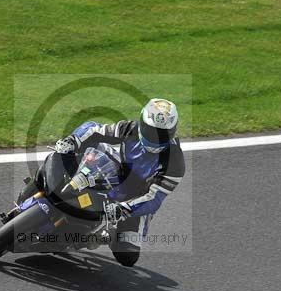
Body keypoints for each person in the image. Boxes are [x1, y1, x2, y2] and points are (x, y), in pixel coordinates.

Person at [27, 98, 185, 266]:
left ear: (173, 131)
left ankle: (102, 235)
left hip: (135, 199)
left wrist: (125, 209)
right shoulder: (130, 129)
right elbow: (95, 129)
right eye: (151, 131)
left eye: (162, 134)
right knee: (64, 153)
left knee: (127, 256)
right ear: (142, 123)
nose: (155, 138)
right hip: (113, 172)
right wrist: (73, 140)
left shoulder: (175, 163)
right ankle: (37, 186)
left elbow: (154, 198)